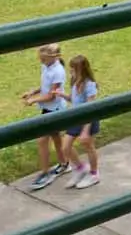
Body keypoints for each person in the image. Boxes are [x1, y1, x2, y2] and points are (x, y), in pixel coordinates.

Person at [21, 42, 72, 188]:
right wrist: (33, 92)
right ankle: (64, 164)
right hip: (48, 109)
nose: (41, 61)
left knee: (42, 140)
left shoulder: (58, 71)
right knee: (56, 137)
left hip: (55, 109)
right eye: (40, 58)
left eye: (43, 59)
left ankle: (45, 173)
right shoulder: (46, 66)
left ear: (54, 57)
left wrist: (33, 100)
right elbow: (45, 86)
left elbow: (51, 96)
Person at [63, 54, 102, 189]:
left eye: (73, 69)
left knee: (88, 146)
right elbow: (74, 99)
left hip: (88, 120)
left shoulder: (90, 85)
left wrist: (85, 131)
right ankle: (80, 169)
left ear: (81, 70)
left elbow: (90, 108)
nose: (70, 71)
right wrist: (62, 95)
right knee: (65, 147)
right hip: (76, 118)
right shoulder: (75, 82)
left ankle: (94, 174)